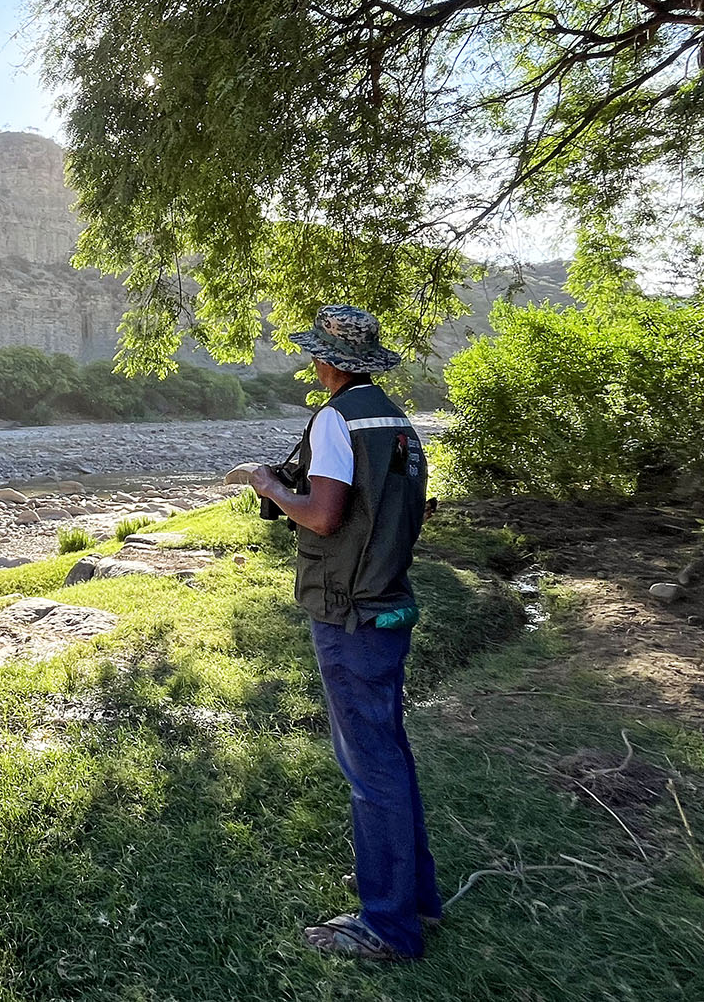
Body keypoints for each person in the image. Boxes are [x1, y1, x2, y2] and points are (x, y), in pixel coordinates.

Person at [225, 304, 439, 962]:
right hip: (388, 603)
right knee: (388, 755)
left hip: (350, 613)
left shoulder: (334, 418)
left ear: (328, 361)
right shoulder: (396, 420)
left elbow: (322, 516)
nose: (313, 363)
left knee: (369, 765)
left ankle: (388, 926)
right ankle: (412, 895)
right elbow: (385, 507)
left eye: (316, 354)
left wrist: (266, 482)